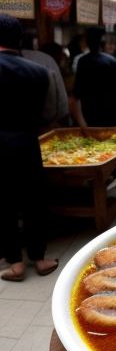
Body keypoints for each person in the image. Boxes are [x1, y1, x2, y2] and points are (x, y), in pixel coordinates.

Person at [0, 14, 59, 281]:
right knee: (34, 199)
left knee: (4, 202)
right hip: (28, 142)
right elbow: (47, 114)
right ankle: (40, 258)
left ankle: (15, 262)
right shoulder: (39, 72)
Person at [71, 26, 116, 128]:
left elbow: (76, 95)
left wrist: (82, 124)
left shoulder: (83, 61)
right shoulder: (113, 61)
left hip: (91, 116)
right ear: (102, 42)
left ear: (86, 42)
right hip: (113, 116)